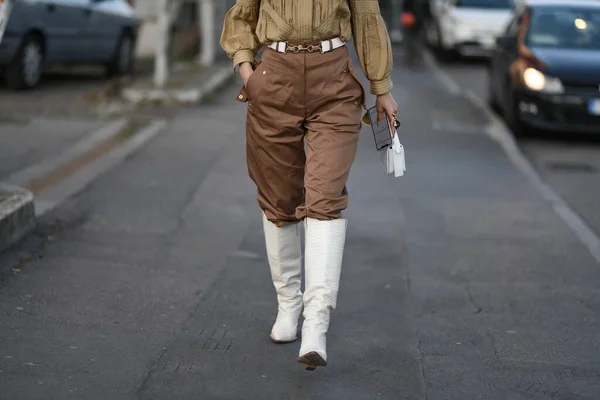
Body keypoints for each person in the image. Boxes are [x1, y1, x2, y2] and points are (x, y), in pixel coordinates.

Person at [220, 0, 397, 371]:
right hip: (274, 78)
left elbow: (366, 18)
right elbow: (242, 15)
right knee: (279, 200)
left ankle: (316, 322)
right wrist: (247, 71)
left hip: (333, 81)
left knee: (326, 197)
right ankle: (289, 305)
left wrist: (381, 87)